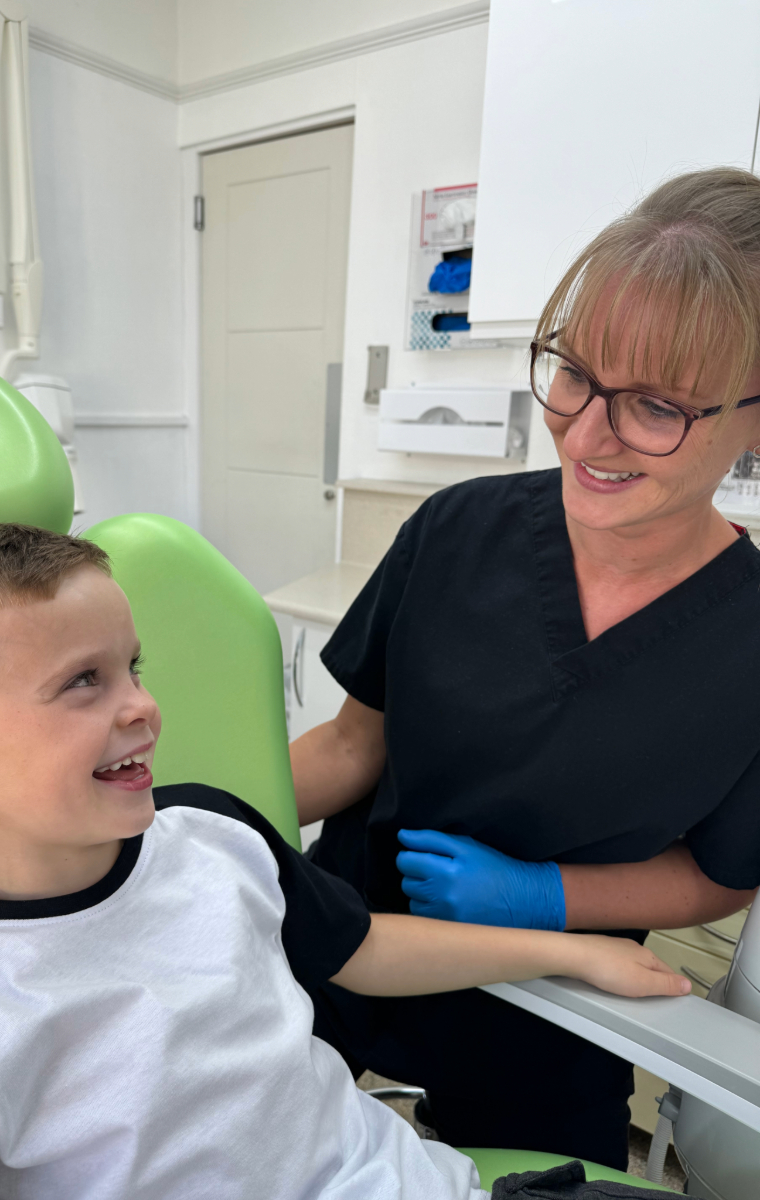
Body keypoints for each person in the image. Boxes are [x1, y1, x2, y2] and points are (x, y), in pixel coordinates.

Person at [0, 525, 687, 1199]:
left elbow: (361, 950)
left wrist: (576, 948)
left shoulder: (211, 835)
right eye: (83, 682)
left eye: (132, 668)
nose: (144, 706)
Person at [291, 166, 760, 1170]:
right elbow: (346, 747)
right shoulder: (455, 531)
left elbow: (716, 878)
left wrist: (547, 896)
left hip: (553, 1003)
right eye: (575, 372)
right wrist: (194, 813)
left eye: (656, 407)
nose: (587, 433)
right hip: (346, 934)